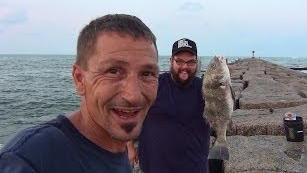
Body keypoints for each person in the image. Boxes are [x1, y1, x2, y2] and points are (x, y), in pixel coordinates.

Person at [0, 14, 159, 173]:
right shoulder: (29, 159)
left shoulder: (116, 147)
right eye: (113, 71)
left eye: (147, 73)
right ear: (79, 79)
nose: (133, 95)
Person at [135, 38, 221, 173]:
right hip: (154, 167)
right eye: (179, 61)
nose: (184, 66)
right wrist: (128, 145)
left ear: (197, 63)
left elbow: (221, 112)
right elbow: (134, 111)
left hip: (194, 167)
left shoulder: (205, 89)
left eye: (190, 61)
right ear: (171, 61)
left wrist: (221, 83)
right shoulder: (154, 84)